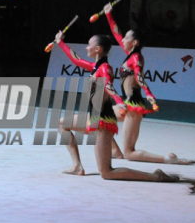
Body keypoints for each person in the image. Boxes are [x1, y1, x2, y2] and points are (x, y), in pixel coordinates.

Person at [55, 31, 178, 182]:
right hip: (95, 117)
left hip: (104, 122)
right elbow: (76, 60)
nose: (86, 48)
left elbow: (108, 86)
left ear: (98, 49)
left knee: (107, 172)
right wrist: (61, 42)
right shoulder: (95, 66)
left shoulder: (105, 68)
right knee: (62, 123)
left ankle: (155, 176)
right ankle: (77, 166)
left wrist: (119, 101)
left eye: (89, 45)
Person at [104, 2, 191, 164]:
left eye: (127, 38)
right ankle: (115, 151)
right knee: (100, 119)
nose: (123, 40)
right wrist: (109, 14)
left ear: (135, 42)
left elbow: (140, 77)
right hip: (127, 104)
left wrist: (149, 94)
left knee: (130, 153)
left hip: (134, 107)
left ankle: (168, 159)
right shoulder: (130, 55)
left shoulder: (136, 58)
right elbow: (116, 34)